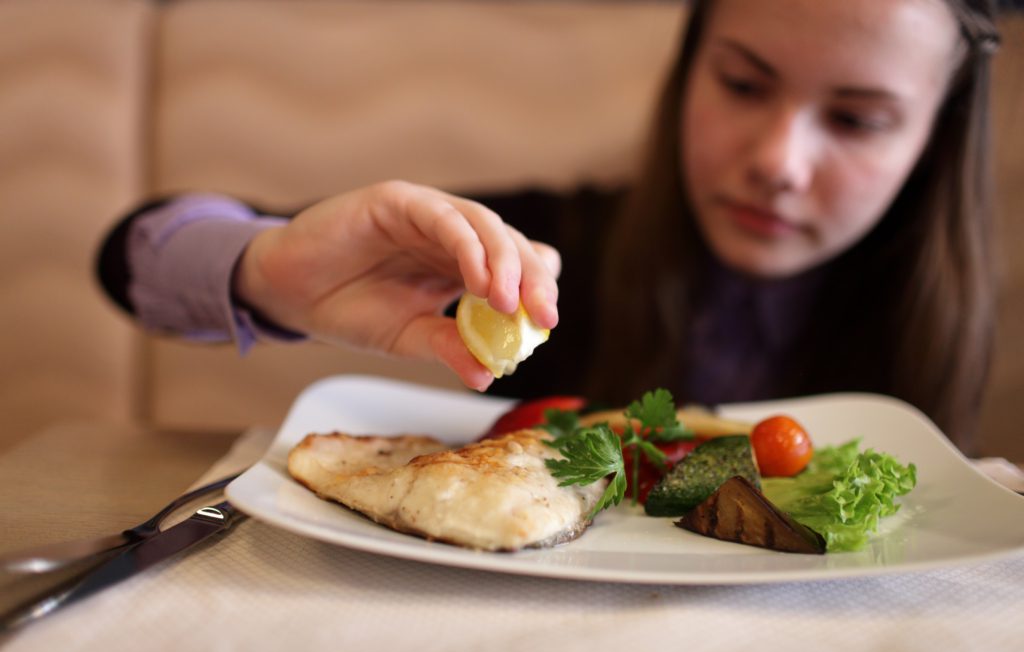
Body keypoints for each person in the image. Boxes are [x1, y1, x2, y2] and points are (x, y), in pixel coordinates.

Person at [97, 0, 1001, 452]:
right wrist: (266, 270)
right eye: (741, 83)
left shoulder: (939, 324)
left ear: (933, 140)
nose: (779, 161)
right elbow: (129, 255)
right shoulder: (534, 249)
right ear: (687, 70)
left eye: (857, 120)